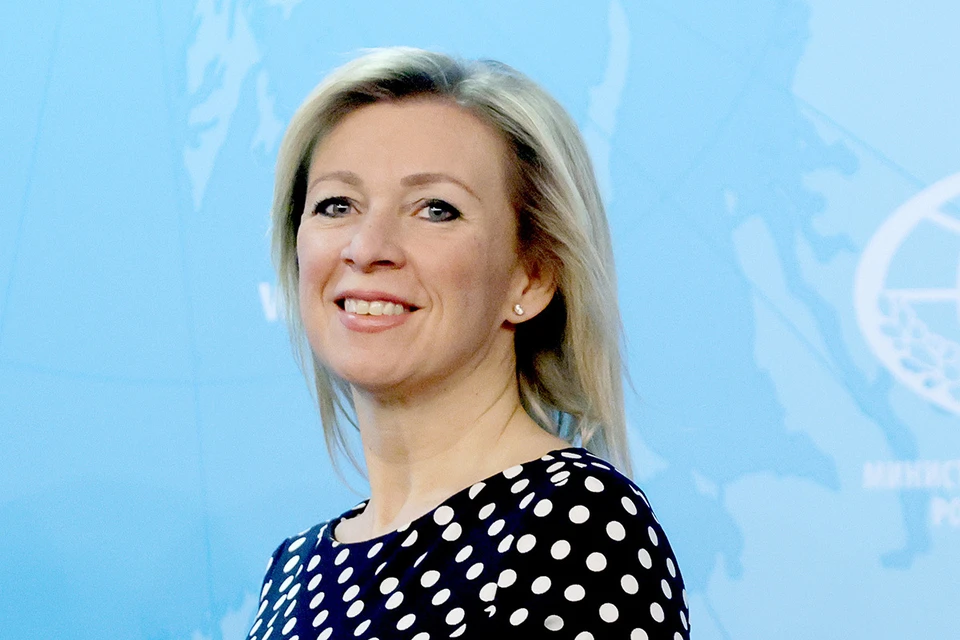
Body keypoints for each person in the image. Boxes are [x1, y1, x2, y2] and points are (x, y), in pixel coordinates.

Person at [248, 47, 689, 640]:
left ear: (532, 276)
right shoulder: (293, 572)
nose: (367, 247)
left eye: (435, 210)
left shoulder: (576, 525)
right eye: (336, 205)